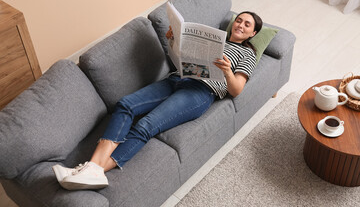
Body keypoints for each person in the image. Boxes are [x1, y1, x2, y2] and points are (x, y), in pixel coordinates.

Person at [52, 11, 263, 190]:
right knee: (125, 105)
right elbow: (180, 61)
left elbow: (236, 90)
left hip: (200, 91)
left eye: (247, 24)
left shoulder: (247, 54)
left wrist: (227, 71)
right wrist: (174, 43)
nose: (240, 25)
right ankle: (92, 170)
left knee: (146, 125)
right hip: (177, 79)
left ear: (252, 33)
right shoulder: (213, 39)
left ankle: (92, 169)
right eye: (239, 20)